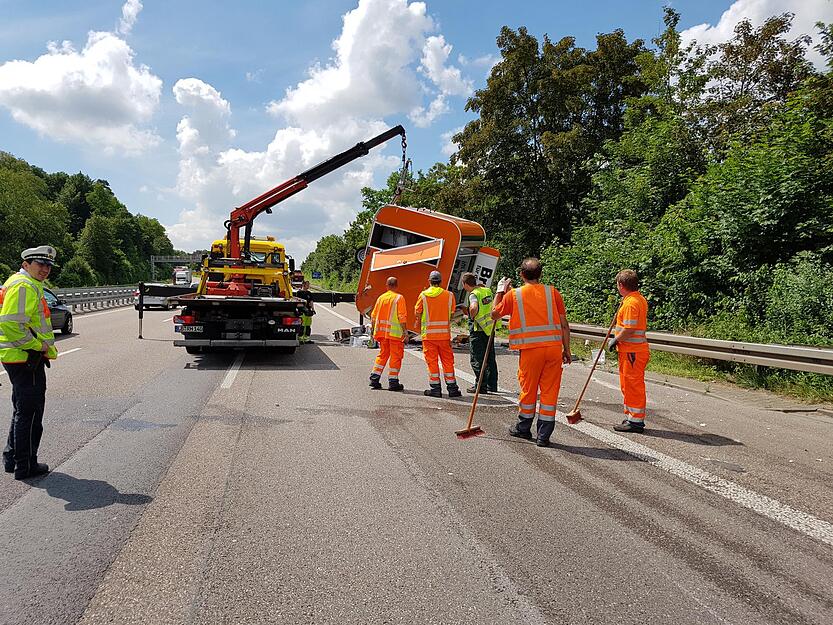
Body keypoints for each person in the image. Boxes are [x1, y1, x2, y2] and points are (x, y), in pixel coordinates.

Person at [491, 258, 571, 447]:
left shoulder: (514, 295)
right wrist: (567, 349)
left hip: (530, 350)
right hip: (553, 349)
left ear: (521, 274)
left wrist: (500, 291)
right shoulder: (553, 293)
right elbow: (564, 325)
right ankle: (544, 436)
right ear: (540, 274)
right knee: (550, 391)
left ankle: (524, 428)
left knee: (529, 389)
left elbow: (494, 313)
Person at [1, 245, 59, 480]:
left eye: (48, 266)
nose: (45, 269)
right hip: (26, 358)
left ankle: (12, 459)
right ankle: (25, 465)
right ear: (26, 265)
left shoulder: (21, 282)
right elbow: (11, 324)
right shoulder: (24, 286)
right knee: (31, 414)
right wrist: (38, 346)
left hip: (18, 358)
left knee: (21, 411)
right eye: (40, 264)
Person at [608, 269, 650, 433]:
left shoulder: (632, 303)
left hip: (633, 351)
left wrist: (615, 339)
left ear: (621, 285)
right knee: (628, 385)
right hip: (631, 350)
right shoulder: (635, 299)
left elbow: (630, 328)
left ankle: (636, 421)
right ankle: (631, 416)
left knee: (632, 385)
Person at [414, 270, 461, 398]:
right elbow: (451, 314)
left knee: (432, 362)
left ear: (429, 281)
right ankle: (452, 389)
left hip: (428, 336)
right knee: (447, 362)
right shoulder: (449, 295)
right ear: (440, 282)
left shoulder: (423, 295)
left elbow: (417, 313)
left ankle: (435, 389)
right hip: (444, 336)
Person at [460, 272, 499, 394]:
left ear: (465, 284)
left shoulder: (473, 294)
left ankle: (480, 386)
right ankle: (492, 385)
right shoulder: (486, 290)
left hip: (478, 330)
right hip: (489, 328)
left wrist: (472, 317)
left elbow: (473, 307)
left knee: (477, 358)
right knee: (490, 357)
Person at [368, 276, 407, 392]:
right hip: (394, 335)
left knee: (382, 355)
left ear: (387, 285)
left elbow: (373, 317)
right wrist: (405, 332)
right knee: (396, 357)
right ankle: (393, 382)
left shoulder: (381, 298)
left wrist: (373, 333)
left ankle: (374, 379)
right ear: (396, 285)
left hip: (382, 334)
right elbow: (402, 317)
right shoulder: (399, 298)